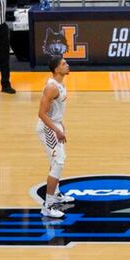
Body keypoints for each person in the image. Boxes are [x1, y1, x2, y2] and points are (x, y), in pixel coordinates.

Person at [36, 56, 75, 218]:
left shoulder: (60, 84)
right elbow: (42, 114)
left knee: (57, 160)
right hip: (47, 127)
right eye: (64, 64)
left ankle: (56, 194)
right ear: (57, 69)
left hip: (55, 125)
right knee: (58, 161)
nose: (67, 65)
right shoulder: (52, 88)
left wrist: (61, 124)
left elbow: (55, 110)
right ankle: (48, 206)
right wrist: (56, 130)